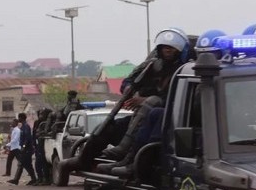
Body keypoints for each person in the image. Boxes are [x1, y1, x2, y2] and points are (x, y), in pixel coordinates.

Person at [71, 28, 191, 178]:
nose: (167, 50)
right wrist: (130, 90)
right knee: (108, 127)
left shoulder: (184, 70)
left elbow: (178, 98)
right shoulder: (151, 66)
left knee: (153, 107)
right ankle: (82, 161)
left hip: (167, 120)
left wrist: (146, 100)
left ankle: (130, 159)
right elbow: (128, 82)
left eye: (172, 48)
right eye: (165, 47)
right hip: (140, 118)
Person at [9, 112, 37, 185]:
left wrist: (24, 147)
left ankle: (32, 179)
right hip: (25, 148)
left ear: (22, 118)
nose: (18, 119)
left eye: (19, 118)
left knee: (24, 164)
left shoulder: (26, 126)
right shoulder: (22, 126)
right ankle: (18, 179)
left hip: (27, 149)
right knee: (24, 164)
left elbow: (27, 138)